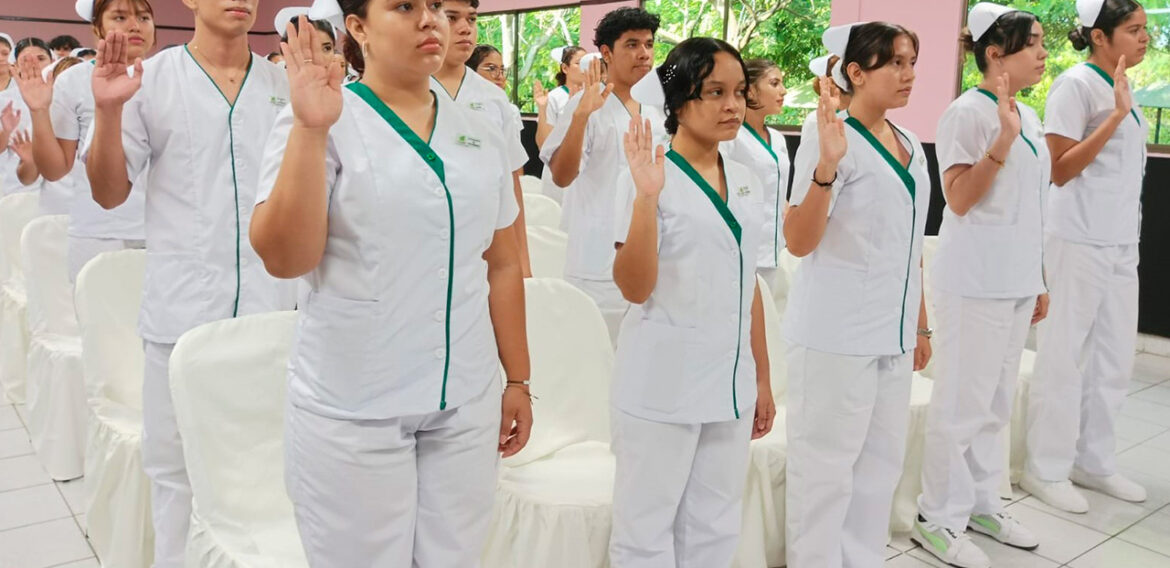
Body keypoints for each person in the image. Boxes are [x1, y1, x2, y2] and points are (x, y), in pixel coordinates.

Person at [250, 4, 532, 565]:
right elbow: (285, 259)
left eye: (436, 8)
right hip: (358, 402)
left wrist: (518, 379)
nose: (431, 21)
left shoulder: (478, 129)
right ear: (357, 28)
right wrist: (310, 129)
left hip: (465, 398)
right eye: (404, 6)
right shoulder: (324, 116)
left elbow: (501, 263)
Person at [85, 0, 295, 564]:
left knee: (267, 469)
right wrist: (106, 114)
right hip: (182, 312)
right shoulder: (148, 80)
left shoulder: (283, 84)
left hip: (271, 313)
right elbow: (109, 193)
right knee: (176, 474)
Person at [609, 37, 775, 567]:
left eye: (739, 93)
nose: (733, 106)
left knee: (716, 521)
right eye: (714, 93)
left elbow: (747, 283)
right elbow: (634, 288)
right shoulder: (645, 177)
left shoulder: (746, 179)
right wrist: (646, 199)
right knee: (646, 527)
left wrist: (762, 378)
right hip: (664, 381)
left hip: (730, 382)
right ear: (679, 101)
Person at [783, 21, 930, 568]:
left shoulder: (911, 144)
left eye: (912, 62)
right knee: (824, 473)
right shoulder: (828, 135)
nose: (909, 74)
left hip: (890, 338)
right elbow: (799, 240)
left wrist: (919, 323)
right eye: (895, 62)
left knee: (879, 468)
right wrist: (826, 165)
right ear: (855, 71)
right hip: (834, 337)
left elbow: (910, 244)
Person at [914, 4, 1051, 567]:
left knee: (995, 406)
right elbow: (962, 201)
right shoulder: (967, 115)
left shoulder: (1029, 115)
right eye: (1034, 43)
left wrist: (1037, 277)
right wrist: (1001, 142)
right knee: (961, 404)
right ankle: (935, 518)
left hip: (1015, 279)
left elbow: (1032, 207)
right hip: (973, 282)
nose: (1045, 53)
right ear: (996, 53)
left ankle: (981, 503)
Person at [1025, 0, 1150, 513]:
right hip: (1076, 238)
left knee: (1115, 356)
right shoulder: (1075, 85)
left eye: (1147, 29)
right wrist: (1115, 117)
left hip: (1120, 240)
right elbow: (1059, 168)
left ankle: (1093, 462)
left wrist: (1123, 109)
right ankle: (1045, 468)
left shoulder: (1124, 88)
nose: (1146, 39)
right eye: (1134, 29)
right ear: (1100, 36)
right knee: (1063, 355)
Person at [541, 7, 666, 344]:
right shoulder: (586, 104)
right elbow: (562, 177)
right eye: (632, 44)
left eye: (649, 44)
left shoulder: (657, 108)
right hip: (597, 263)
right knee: (597, 367)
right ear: (607, 52)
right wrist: (581, 116)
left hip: (649, 258)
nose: (644, 54)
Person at [17, 0, 153, 281]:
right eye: (119, 17)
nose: (134, 25)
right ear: (97, 28)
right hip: (99, 232)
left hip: (163, 232)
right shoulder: (75, 80)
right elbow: (55, 169)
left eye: (143, 17)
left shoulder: (169, 76)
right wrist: (39, 111)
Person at [432, 0, 531, 277]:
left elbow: (512, 181)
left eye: (472, 19)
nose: (465, 29)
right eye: (452, 18)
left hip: (489, 241)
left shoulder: (494, 99)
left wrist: (523, 261)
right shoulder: (412, 89)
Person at [723, 58, 790, 309]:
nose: (783, 91)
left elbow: (777, 190)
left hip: (776, 252)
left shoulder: (778, 139)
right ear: (750, 90)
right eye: (774, 83)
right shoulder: (732, 137)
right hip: (743, 250)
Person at [1, 38, 53, 195]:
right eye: (25, 60)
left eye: (41, 58)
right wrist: (6, 131)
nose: (34, 64)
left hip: (60, 191)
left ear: (53, 61)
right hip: (16, 190)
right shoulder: (5, 100)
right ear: (15, 66)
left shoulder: (66, 95)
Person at [533, 45, 585, 204]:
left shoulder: (593, 97)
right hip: (558, 172)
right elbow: (544, 143)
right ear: (565, 68)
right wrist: (542, 109)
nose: (584, 68)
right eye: (578, 63)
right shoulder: (554, 98)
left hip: (583, 173)